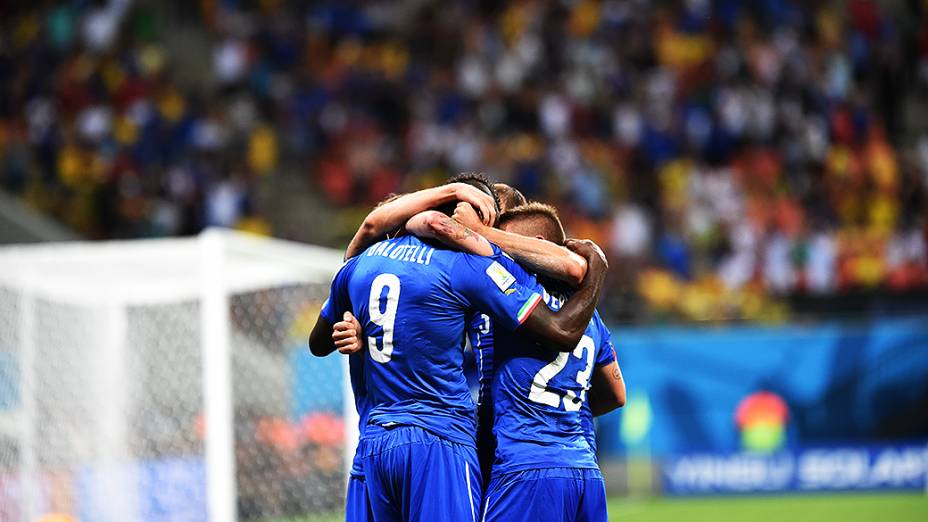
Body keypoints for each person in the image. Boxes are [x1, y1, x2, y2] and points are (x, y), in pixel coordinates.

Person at [308, 188, 608, 522]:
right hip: (444, 442)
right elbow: (574, 338)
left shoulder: (363, 263)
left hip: (376, 446)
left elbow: (318, 342)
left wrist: (357, 329)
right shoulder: (468, 270)